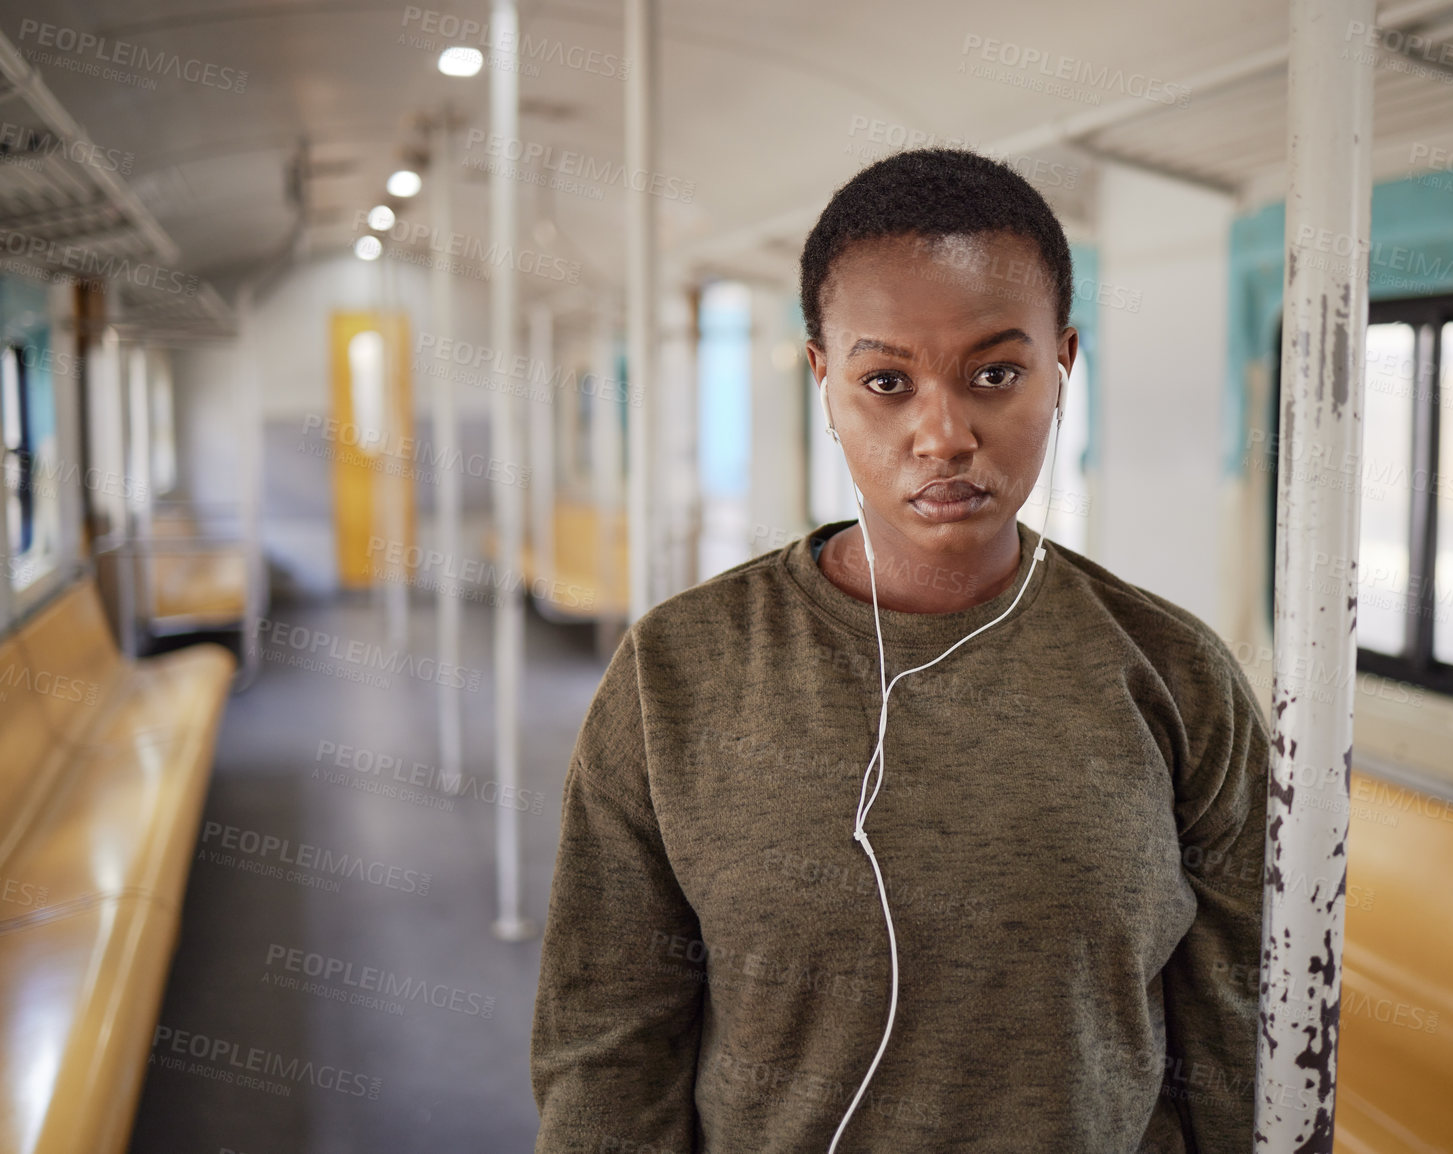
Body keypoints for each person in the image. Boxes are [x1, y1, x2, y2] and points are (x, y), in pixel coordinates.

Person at [530, 147, 1268, 1153]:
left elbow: (1240, 1047)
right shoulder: (678, 674)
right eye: (887, 380)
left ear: (1063, 367)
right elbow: (608, 1039)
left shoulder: (1179, 679)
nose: (944, 433)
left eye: (996, 373)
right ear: (825, 384)